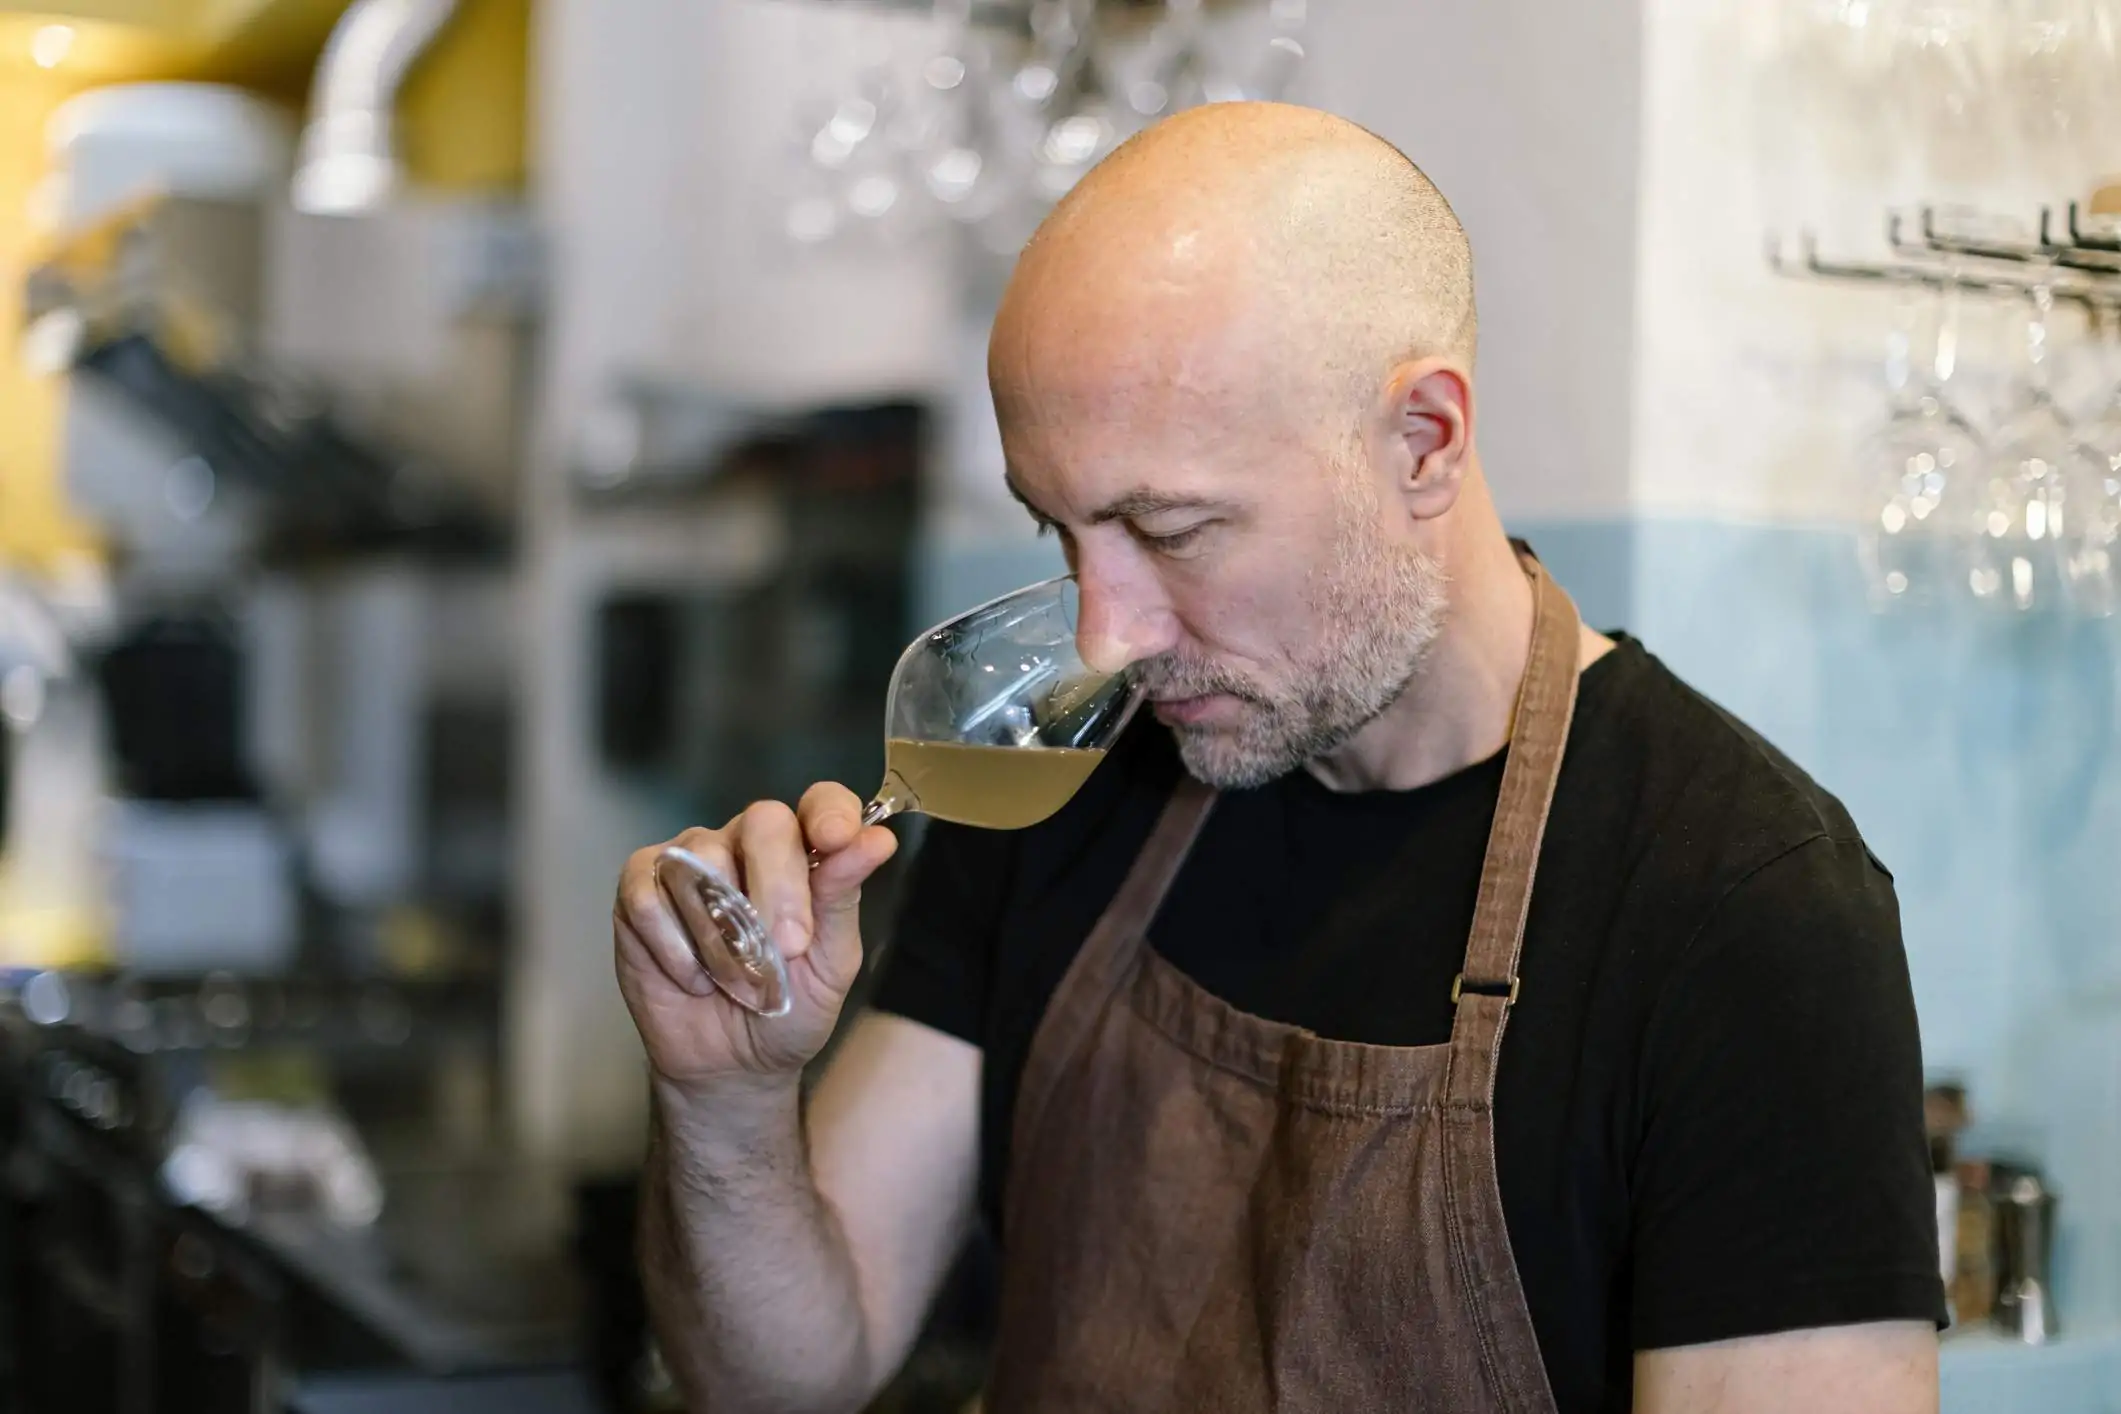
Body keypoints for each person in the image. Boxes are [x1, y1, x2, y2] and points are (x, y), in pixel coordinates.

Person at [612, 102, 1944, 1413]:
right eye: (1061, 534)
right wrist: (725, 1101)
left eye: (1176, 529)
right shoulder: (1072, 799)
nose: (1106, 632)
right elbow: (784, 1373)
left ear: (1423, 440)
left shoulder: (1740, 907)